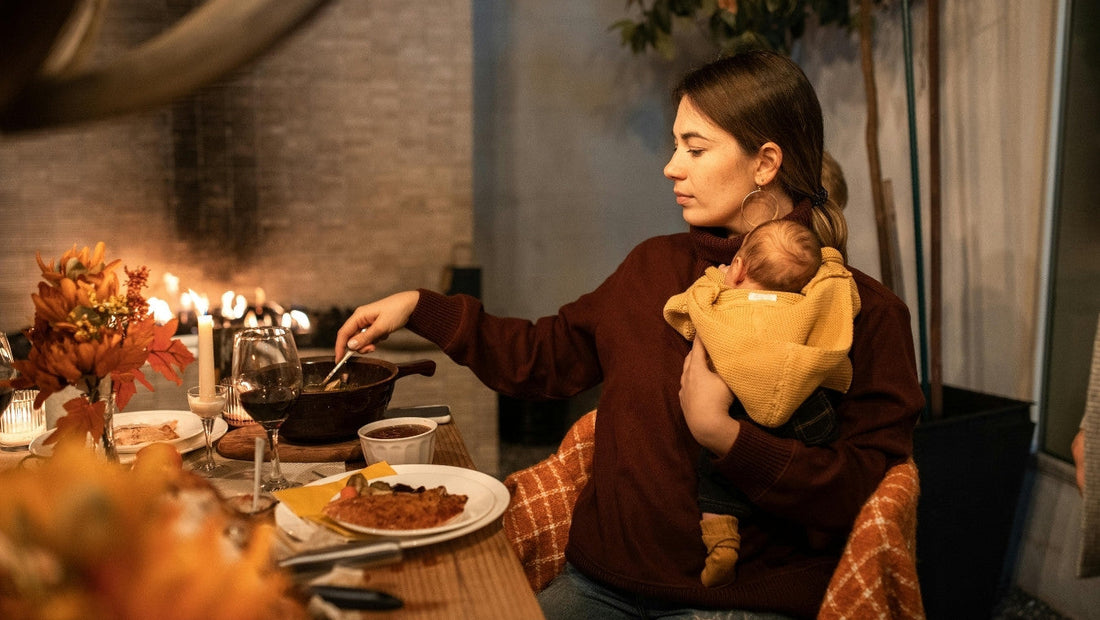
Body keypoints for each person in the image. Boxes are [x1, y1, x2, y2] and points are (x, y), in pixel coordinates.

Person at [335, 50, 924, 619]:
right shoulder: (652, 268)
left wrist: (724, 437)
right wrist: (420, 307)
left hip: (737, 602)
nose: (671, 166)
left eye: (694, 148)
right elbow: (545, 357)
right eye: (676, 146)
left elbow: (862, 493)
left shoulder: (860, 311)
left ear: (766, 163)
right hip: (600, 585)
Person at [662, 218, 861, 587]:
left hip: (741, 407)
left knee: (714, 477)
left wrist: (713, 281)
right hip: (803, 407)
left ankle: (721, 542)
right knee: (821, 450)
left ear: (737, 268)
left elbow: (684, 314)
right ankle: (820, 527)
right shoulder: (807, 305)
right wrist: (829, 265)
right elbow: (844, 293)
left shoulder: (721, 303)